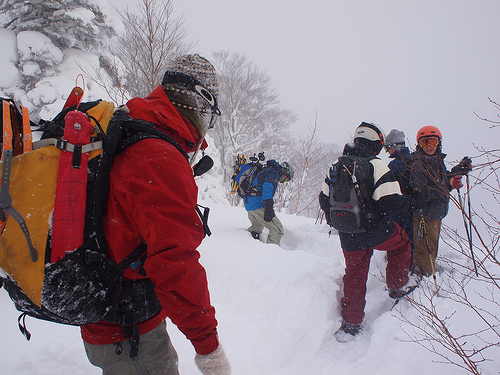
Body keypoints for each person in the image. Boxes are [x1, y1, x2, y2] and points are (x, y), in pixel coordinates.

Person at [81, 54, 231, 375]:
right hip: (129, 329)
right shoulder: (158, 155)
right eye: (209, 112)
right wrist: (208, 347)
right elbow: (175, 263)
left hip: (107, 311)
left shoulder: (134, 122)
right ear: (198, 102)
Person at [319, 122, 419, 341]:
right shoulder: (377, 165)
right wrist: (410, 203)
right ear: (376, 144)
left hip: (348, 232)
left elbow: (324, 200)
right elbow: (389, 203)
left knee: (354, 274)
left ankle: (351, 323)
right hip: (376, 230)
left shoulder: (336, 165)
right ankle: (396, 286)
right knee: (402, 243)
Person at [409, 126, 468, 277]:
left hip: (436, 213)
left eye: (432, 142)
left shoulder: (437, 160)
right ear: (419, 145)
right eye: (425, 143)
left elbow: (439, 181)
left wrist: (454, 173)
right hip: (424, 213)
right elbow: (423, 192)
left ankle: (423, 272)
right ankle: (425, 276)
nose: (429, 147)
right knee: (424, 248)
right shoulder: (418, 164)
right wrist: (447, 184)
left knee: (432, 245)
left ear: (438, 143)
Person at [243, 159, 293, 246]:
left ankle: (249, 246)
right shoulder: (273, 173)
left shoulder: (267, 170)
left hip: (249, 203)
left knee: (256, 227)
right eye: (285, 179)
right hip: (257, 204)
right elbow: (267, 188)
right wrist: (269, 207)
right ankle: (271, 253)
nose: (283, 182)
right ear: (284, 172)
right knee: (277, 230)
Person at [385, 129, 415, 259]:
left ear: (394, 146)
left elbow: (388, 189)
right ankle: (410, 263)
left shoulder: (394, 165)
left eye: (387, 148)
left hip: (398, 208)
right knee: (410, 238)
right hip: (412, 206)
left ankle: (400, 264)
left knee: (398, 239)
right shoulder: (412, 161)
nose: (387, 152)